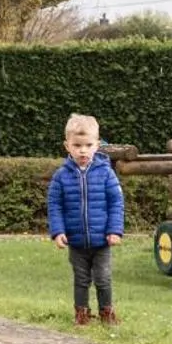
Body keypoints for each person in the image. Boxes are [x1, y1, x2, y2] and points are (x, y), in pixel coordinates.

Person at [47, 113, 125, 326]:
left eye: (88, 145)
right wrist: (58, 232)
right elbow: (55, 206)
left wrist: (114, 231)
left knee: (103, 278)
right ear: (67, 146)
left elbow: (116, 203)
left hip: (102, 241)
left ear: (97, 145)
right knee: (81, 280)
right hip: (77, 241)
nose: (83, 150)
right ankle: (81, 314)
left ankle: (106, 313)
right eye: (77, 145)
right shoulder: (61, 176)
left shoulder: (106, 174)